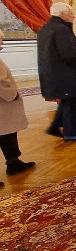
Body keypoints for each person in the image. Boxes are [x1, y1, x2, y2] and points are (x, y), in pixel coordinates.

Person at [38, 2, 76, 141]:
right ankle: (72, 133)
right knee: (71, 103)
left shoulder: (46, 28)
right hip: (64, 74)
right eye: (71, 14)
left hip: (52, 73)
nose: (73, 17)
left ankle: (55, 126)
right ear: (62, 14)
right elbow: (68, 54)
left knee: (67, 100)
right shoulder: (61, 29)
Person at [0, 29, 35, 186]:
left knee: (7, 134)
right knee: (6, 132)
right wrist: (12, 95)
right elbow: (2, 83)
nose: (2, 43)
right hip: (3, 103)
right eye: (0, 40)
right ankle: (13, 162)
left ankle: (13, 162)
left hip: (4, 107)